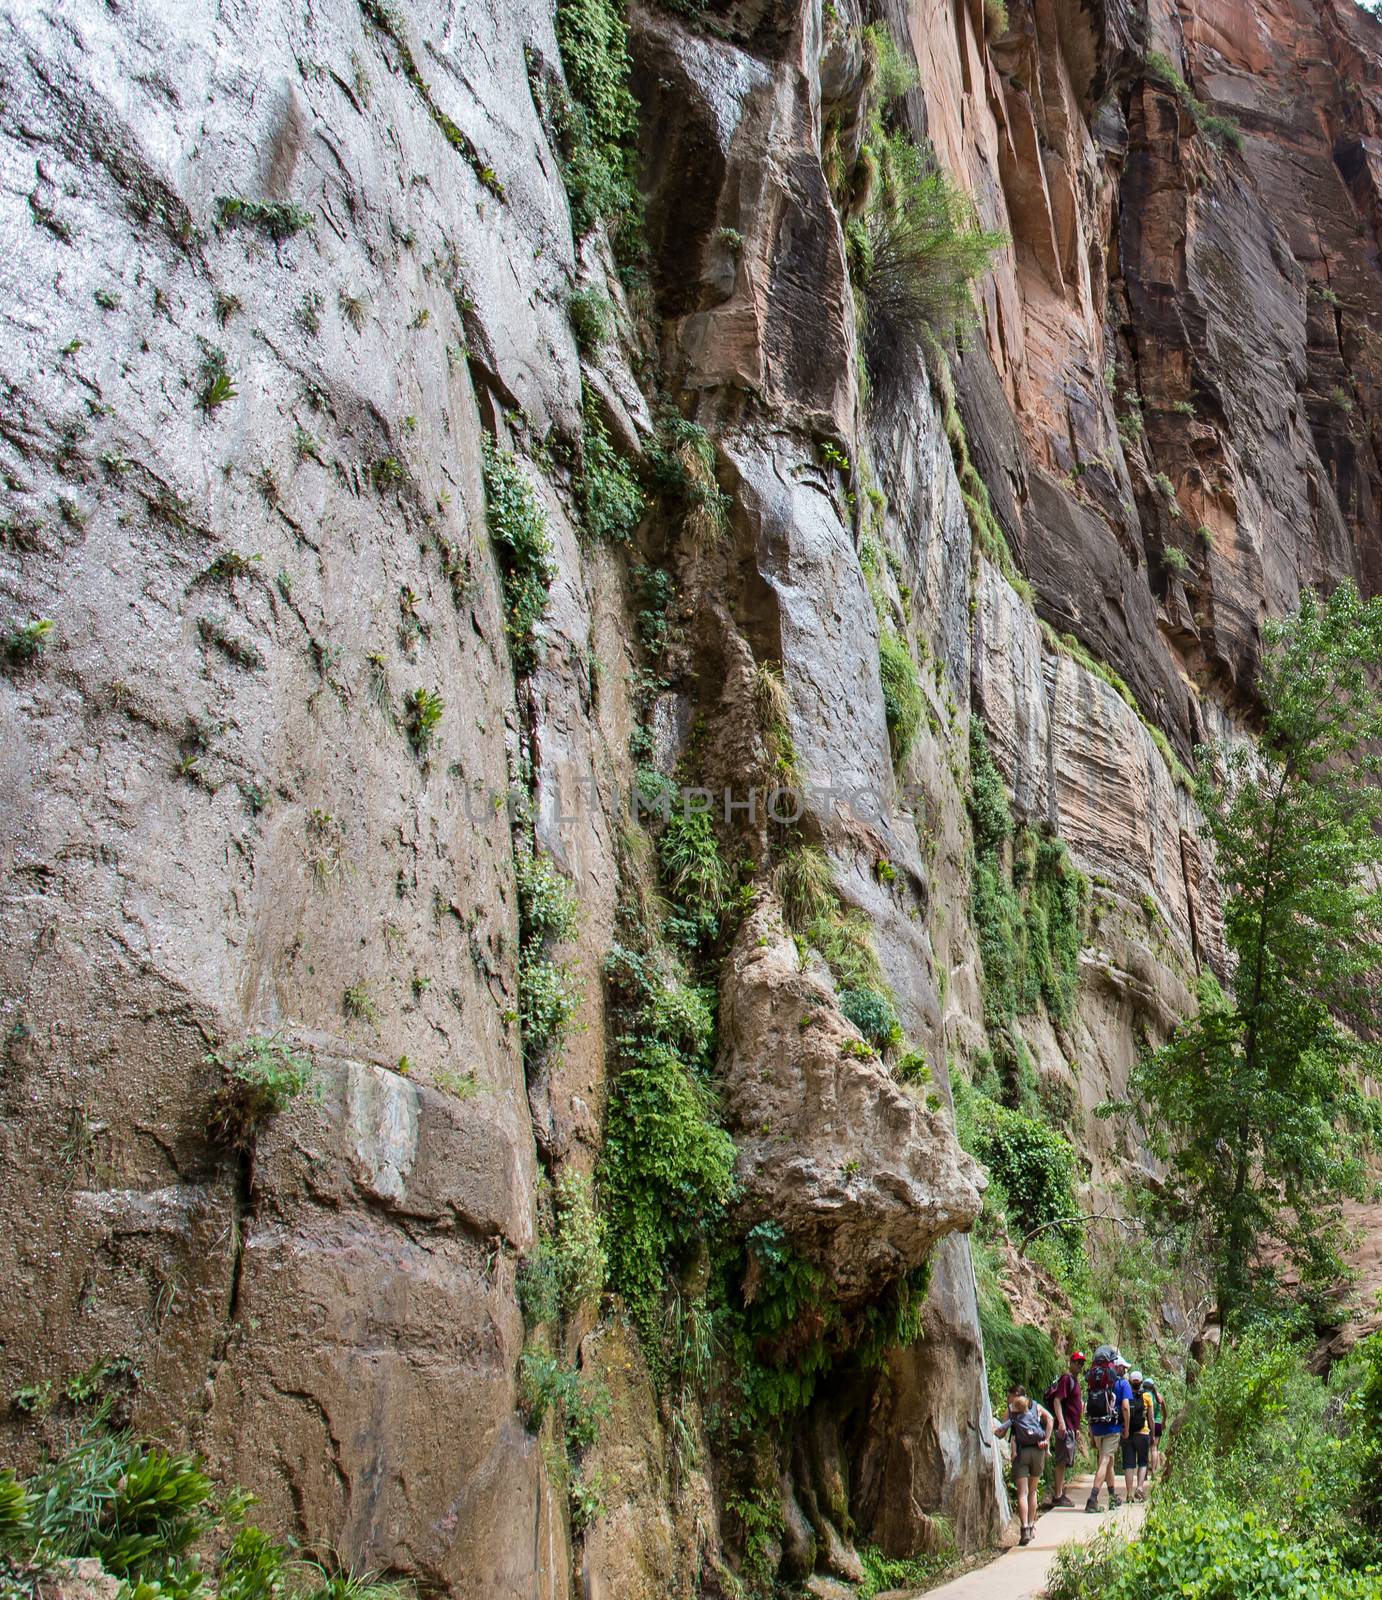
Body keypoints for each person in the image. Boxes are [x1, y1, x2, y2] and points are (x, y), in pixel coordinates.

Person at [994, 1385, 1054, 1545]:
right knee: (1032, 1491)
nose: (1008, 1399)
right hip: (1038, 1451)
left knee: (1022, 1493)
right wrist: (1046, 1440)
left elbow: (1000, 1432)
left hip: (1021, 1452)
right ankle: (1032, 1525)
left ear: (1016, 1395)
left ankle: (1025, 1529)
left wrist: (993, 1429)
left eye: (1009, 1396)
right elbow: (1051, 1419)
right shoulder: (1035, 1406)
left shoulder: (1010, 1411)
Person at [1084, 1345, 1132, 1512]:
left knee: (1108, 1461)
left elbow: (1088, 1407)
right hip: (1112, 1427)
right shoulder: (1121, 1384)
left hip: (1096, 1426)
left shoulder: (1093, 1381)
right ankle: (1093, 1498)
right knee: (1105, 1460)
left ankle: (1112, 1497)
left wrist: (1090, 1433)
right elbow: (1125, 1407)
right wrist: (1126, 1428)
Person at [1042, 1351, 1086, 1509]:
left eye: (1082, 1363)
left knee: (1065, 1460)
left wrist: (1077, 1428)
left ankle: (1060, 1492)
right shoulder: (1067, 1379)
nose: (1079, 1365)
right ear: (1071, 1362)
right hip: (1065, 1426)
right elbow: (1057, 1400)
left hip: (1071, 1427)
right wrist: (1061, 1422)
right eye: (1077, 1362)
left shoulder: (1074, 1380)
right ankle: (1058, 1495)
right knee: (1061, 1460)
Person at [1123, 1371, 1153, 1502]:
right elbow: (1150, 1418)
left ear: (1130, 1382)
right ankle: (1139, 1488)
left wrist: (1124, 1430)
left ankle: (1129, 1493)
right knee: (1142, 1462)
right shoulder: (1147, 1397)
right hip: (1143, 1432)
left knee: (1129, 1464)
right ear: (1141, 1383)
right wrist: (1152, 1433)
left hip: (1128, 1433)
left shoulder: (1126, 1396)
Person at [1140, 1372, 1167, 1473]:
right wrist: (1164, 1421)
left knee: (1145, 1449)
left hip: (1146, 1424)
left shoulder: (1144, 1396)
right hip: (1158, 1423)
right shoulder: (1159, 1396)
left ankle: (1145, 1472)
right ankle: (1154, 1471)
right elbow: (1165, 1412)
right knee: (1154, 1448)